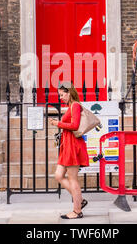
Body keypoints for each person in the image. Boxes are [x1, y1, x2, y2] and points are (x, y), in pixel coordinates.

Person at [49, 82, 89, 219]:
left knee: (72, 178)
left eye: (62, 95)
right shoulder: (71, 107)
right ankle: (80, 200)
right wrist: (59, 123)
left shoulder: (75, 105)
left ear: (69, 92)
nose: (60, 98)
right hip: (67, 145)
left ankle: (77, 211)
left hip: (73, 145)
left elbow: (75, 125)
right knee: (59, 175)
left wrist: (58, 123)